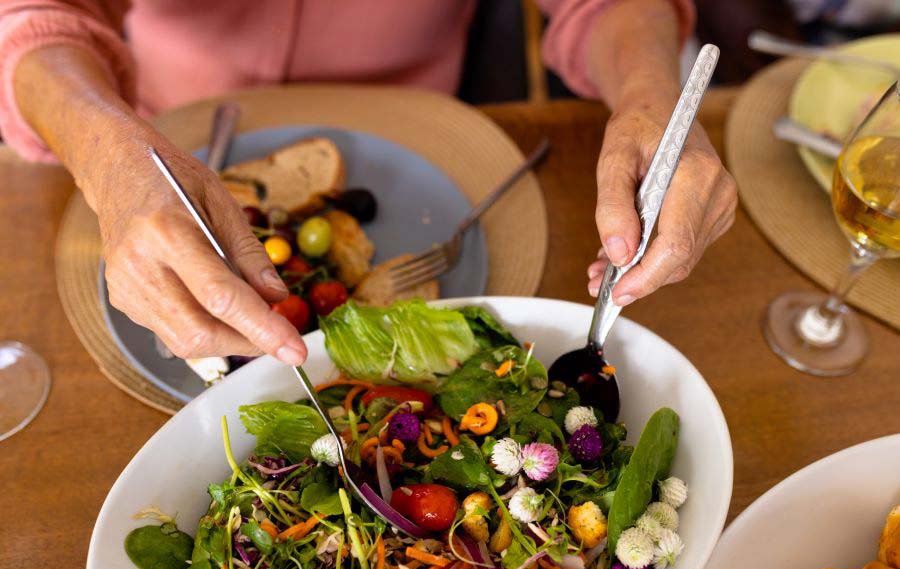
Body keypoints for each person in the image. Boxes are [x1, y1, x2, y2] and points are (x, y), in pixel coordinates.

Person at [0, 0, 737, 365]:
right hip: (154, 138)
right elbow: (34, 19)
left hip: (430, 134)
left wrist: (651, 95)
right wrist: (107, 156)